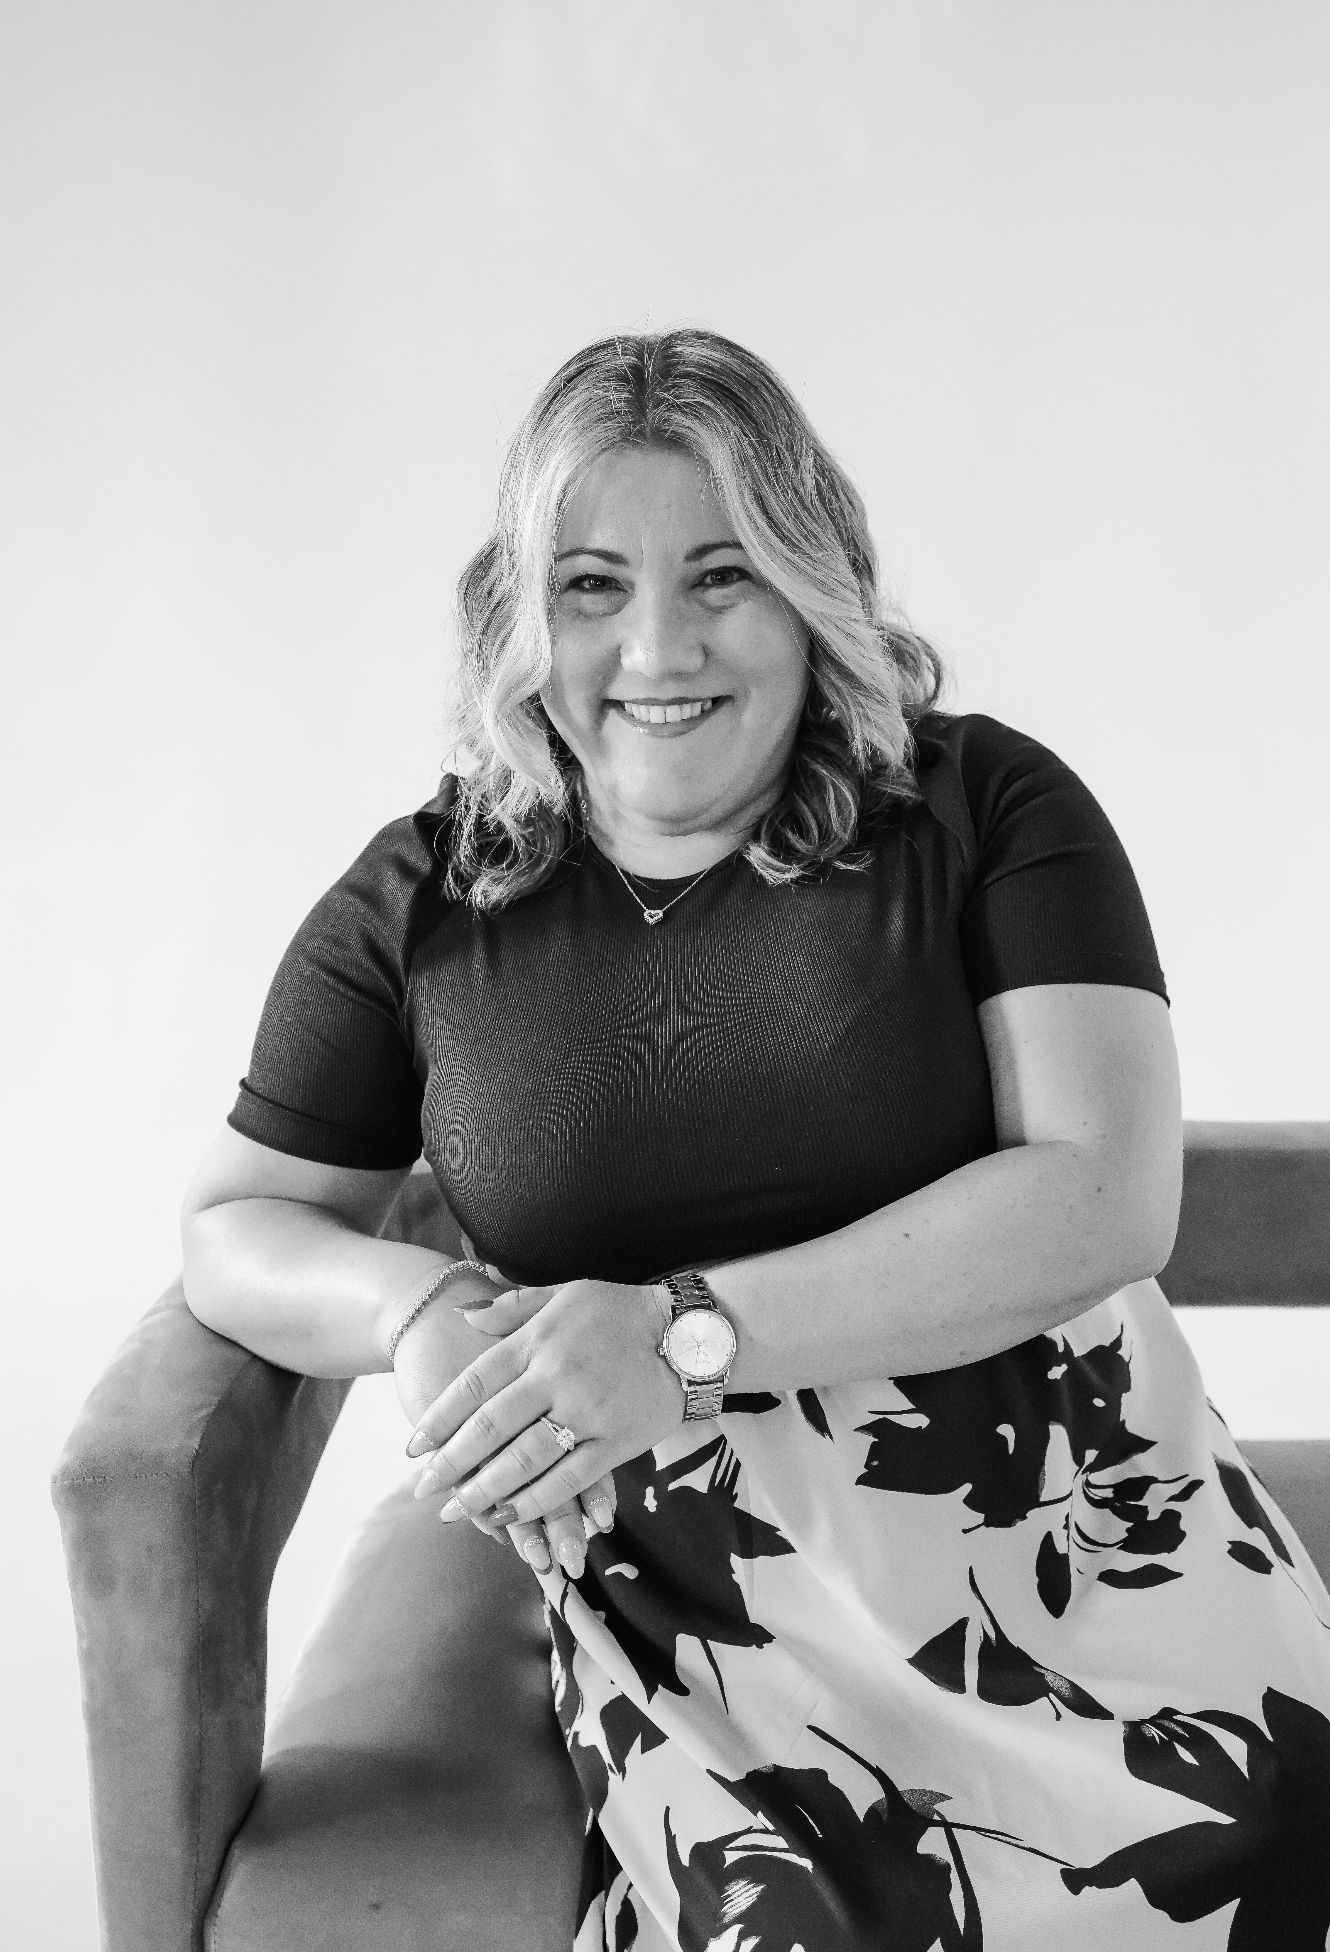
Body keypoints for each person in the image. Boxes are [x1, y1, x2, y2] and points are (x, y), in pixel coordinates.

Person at [182, 329, 1330, 1952]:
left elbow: (1101, 1192)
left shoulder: (986, 805)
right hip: (699, 1594)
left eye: (720, 574)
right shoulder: (420, 900)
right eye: (590, 585)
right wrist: (413, 1310)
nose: (657, 644)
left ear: (813, 586)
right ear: (521, 618)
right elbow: (236, 1224)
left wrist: (681, 1334)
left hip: (1076, 1515)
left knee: (1247, 1861)